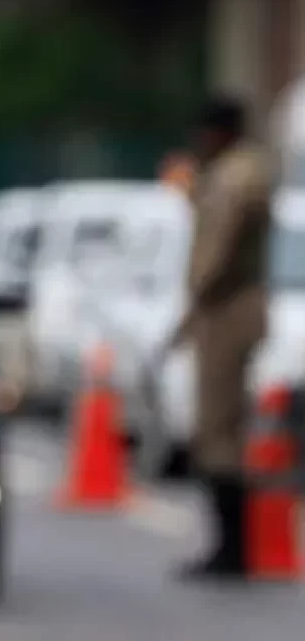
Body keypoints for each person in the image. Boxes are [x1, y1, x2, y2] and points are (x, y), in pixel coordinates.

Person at [159, 95, 272, 580]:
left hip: (229, 309)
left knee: (218, 431)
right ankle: (231, 549)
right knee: (222, 427)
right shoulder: (239, 171)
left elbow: (218, 249)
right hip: (231, 306)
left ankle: (232, 552)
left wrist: (196, 301)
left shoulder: (234, 176)